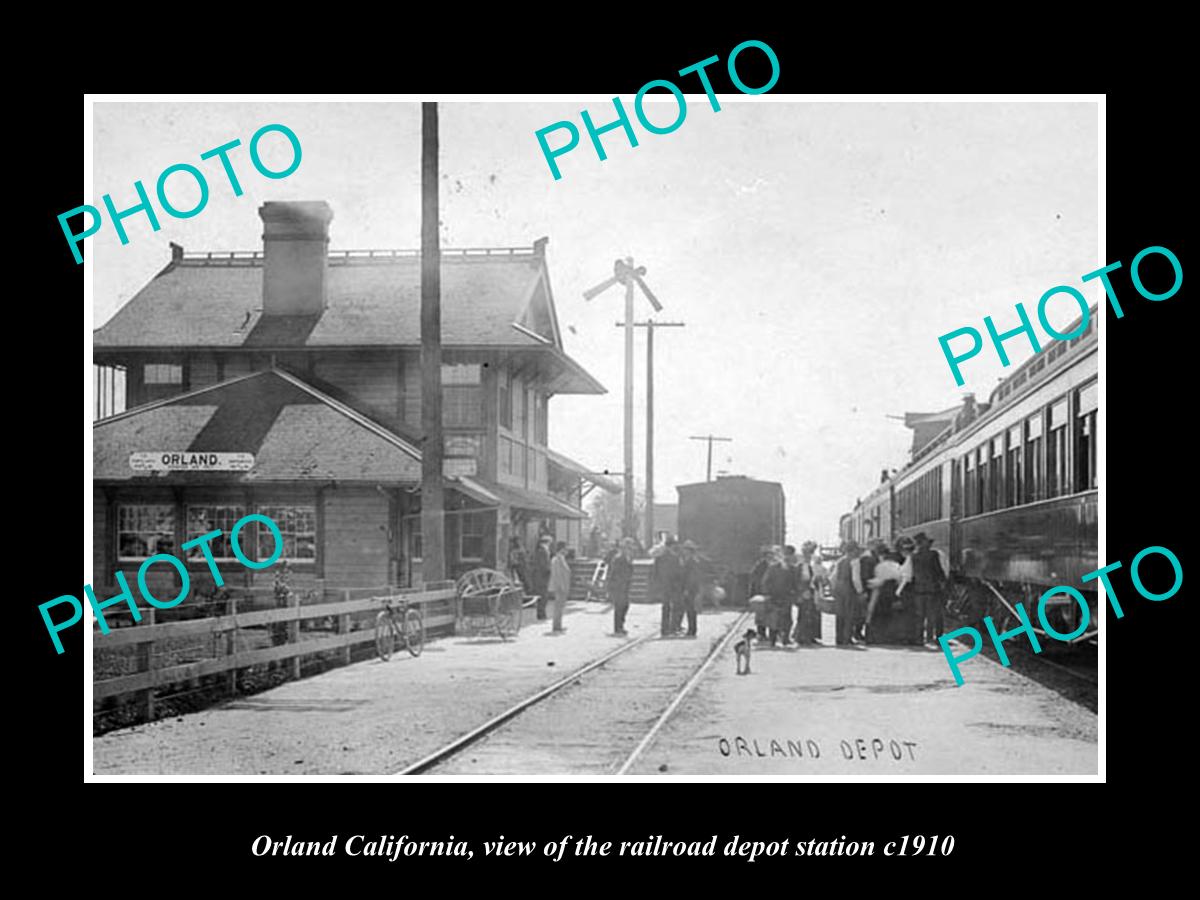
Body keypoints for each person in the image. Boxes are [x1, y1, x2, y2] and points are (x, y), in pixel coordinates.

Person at [900, 532, 947, 646]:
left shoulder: (912, 556)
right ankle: (939, 638)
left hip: (919, 590)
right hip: (934, 590)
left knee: (920, 615)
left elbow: (907, 575)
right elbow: (939, 571)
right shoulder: (934, 555)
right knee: (937, 615)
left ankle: (919, 639)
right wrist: (944, 583)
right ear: (925, 543)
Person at [865, 544, 905, 644]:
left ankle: (876, 636)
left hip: (880, 591)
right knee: (891, 614)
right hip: (893, 591)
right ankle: (890, 636)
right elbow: (900, 579)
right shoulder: (897, 566)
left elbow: (877, 578)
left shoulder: (879, 566)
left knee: (877, 613)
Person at [650, 535, 684, 637]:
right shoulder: (675, 558)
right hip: (673, 586)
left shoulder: (659, 558)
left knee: (666, 608)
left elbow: (655, 573)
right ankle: (673, 628)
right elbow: (678, 573)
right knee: (675, 607)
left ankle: (664, 629)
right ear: (672, 546)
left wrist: (656, 585)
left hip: (664, 586)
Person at [832, 539, 861, 646]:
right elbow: (855, 578)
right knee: (849, 614)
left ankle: (838, 638)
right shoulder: (854, 561)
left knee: (840, 614)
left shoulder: (839, 561)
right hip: (849, 588)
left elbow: (833, 577)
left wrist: (833, 589)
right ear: (853, 550)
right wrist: (860, 591)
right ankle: (847, 638)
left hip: (839, 588)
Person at [762, 547, 793, 647]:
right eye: (784, 556)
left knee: (787, 619)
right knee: (774, 619)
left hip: (787, 597)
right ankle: (773, 640)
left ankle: (785, 638)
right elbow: (766, 581)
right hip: (774, 596)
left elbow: (794, 583)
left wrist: (794, 593)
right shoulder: (773, 568)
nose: (786, 558)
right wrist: (767, 594)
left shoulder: (792, 569)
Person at [792, 541, 820, 645]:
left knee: (811, 614)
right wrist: (800, 593)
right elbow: (797, 580)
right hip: (804, 592)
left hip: (810, 591)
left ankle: (809, 636)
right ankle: (801, 636)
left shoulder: (810, 565)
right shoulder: (800, 566)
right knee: (804, 614)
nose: (809, 556)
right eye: (807, 553)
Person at [855, 541, 883, 643]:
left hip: (870, 587)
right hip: (870, 587)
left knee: (866, 611)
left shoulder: (868, 557)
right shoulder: (868, 559)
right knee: (867, 611)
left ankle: (861, 632)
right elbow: (866, 575)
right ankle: (862, 633)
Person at [607, 538, 635, 636]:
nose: (630, 549)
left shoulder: (629, 558)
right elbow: (614, 572)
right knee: (619, 607)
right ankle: (618, 627)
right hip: (618, 586)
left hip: (625, 585)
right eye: (628, 547)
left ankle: (621, 625)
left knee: (625, 606)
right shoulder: (618, 558)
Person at [677, 540, 703, 637]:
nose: (683, 551)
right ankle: (691, 629)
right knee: (690, 610)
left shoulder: (692, 562)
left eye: (685, 549)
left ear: (689, 551)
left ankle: (692, 630)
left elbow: (691, 577)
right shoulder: (690, 560)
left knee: (691, 610)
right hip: (690, 589)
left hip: (690, 589)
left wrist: (687, 589)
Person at [749, 546, 774, 640]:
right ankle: (761, 633)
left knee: (771, 614)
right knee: (761, 614)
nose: (770, 557)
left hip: (771, 593)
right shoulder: (759, 566)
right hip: (761, 592)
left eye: (771, 555)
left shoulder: (773, 565)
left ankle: (772, 633)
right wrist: (753, 593)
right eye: (768, 555)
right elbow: (754, 579)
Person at [548, 541, 572, 634]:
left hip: (563, 585)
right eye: (566, 549)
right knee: (558, 606)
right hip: (559, 586)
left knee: (560, 607)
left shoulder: (561, 559)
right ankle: (556, 626)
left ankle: (558, 624)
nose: (567, 551)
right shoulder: (557, 560)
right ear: (562, 549)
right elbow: (557, 574)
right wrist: (561, 586)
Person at [530, 535, 552, 620]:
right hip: (541, 577)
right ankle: (541, 614)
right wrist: (549, 570)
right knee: (542, 596)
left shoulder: (545, 551)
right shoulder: (541, 551)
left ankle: (542, 613)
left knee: (543, 596)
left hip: (542, 576)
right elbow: (543, 565)